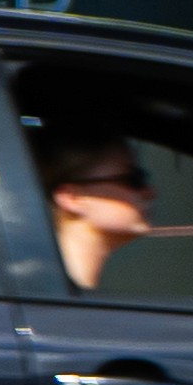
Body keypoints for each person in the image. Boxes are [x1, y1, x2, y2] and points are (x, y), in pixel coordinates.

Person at [34, 126, 148, 293]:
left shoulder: (51, 296)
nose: (150, 192)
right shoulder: (46, 300)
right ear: (71, 197)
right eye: (133, 179)